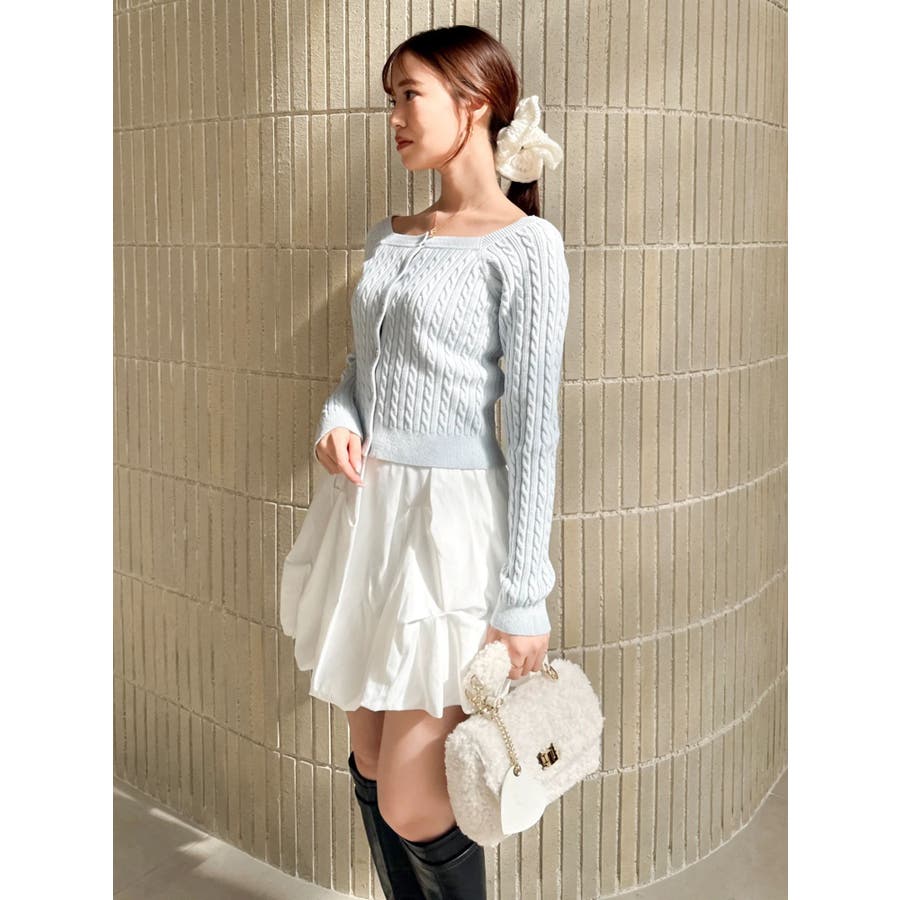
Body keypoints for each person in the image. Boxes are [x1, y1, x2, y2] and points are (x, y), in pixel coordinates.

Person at [279, 24, 569, 900]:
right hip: (367, 518)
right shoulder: (390, 237)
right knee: (370, 764)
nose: (395, 118)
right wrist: (337, 420)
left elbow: (537, 427)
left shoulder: (525, 246)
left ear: (474, 104)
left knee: (415, 801)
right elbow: (361, 371)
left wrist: (524, 595)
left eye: (410, 95)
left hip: (449, 531)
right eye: (391, 100)